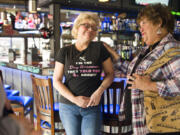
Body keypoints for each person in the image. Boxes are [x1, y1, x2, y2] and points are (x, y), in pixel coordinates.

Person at [104, 3, 180, 135]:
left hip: (161, 126)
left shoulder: (171, 48)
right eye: (139, 25)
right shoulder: (149, 49)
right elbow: (136, 73)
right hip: (141, 122)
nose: (140, 29)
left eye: (144, 23)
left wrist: (149, 85)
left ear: (159, 23)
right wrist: (115, 57)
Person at [53, 12, 114, 135]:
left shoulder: (100, 49)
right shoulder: (64, 51)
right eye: (86, 25)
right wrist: (75, 99)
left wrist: (99, 92)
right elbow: (56, 80)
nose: (90, 29)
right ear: (76, 28)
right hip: (68, 106)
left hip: (92, 106)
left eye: (94, 27)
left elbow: (110, 73)